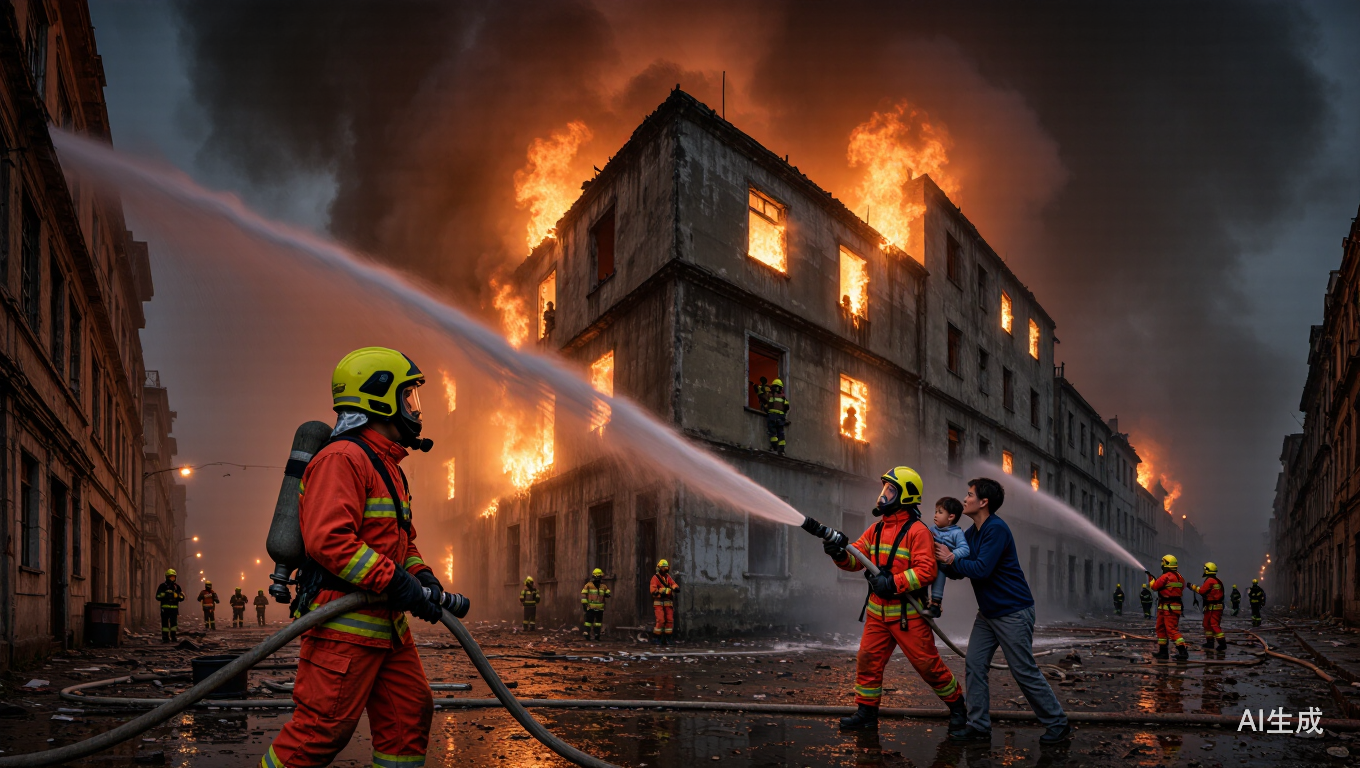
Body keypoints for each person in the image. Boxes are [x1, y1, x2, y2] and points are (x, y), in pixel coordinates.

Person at [261, 346, 455, 768]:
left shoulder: (388, 466)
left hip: (387, 625)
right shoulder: (342, 458)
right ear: (378, 396)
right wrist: (399, 583)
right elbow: (330, 542)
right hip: (342, 626)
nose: (413, 408)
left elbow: (403, 540)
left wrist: (424, 577)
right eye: (407, 396)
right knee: (320, 731)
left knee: (408, 716)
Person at [824, 467, 966, 732]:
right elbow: (857, 559)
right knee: (867, 659)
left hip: (908, 615)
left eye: (890, 490)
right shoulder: (877, 529)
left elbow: (926, 571)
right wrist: (838, 554)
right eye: (884, 489)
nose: (883, 495)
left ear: (906, 496)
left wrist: (893, 583)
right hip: (878, 613)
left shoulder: (918, 531)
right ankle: (866, 714)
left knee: (928, 665)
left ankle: (958, 707)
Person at [937, 477, 1071, 745]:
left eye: (970, 494)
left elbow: (982, 569)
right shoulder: (970, 534)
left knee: (1023, 670)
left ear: (983, 502)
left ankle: (1057, 724)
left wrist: (951, 559)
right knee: (975, 664)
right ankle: (978, 726)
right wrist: (942, 559)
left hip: (1013, 611)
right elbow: (958, 571)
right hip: (988, 614)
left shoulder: (996, 529)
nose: (965, 499)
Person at [924, 497, 968, 618]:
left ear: (951, 517)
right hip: (927, 563)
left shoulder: (957, 533)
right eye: (936, 511)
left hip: (942, 565)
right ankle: (923, 600)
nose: (936, 515)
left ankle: (936, 605)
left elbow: (965, 549)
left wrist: (951, 556)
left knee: (939, 578)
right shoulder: (930, 529)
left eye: (940, 512)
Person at [1148, 555, 1188, 660]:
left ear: (1166, 563)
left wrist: (1151, 579)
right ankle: (1163, 652)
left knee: (1171, 630)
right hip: (1166, 606)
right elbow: (1181, 587)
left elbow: (1154, 587)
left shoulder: (1165, 576)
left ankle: (1183, 651)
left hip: (1168, 607)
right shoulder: (1180, 577)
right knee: (1160, 628)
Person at [1189, 562, 1226, 651]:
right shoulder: (1217, 581)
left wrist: (1192, 586)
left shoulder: (1210, 580)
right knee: (1206, 624)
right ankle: (1210, 642)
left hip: (1214, 607)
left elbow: (1201, 591)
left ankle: (1222, 643)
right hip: (1211, 606)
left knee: (1214, 624)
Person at [650, 559, 681, 644]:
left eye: (666, 567)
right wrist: (665, 591)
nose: (665, 569)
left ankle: (668, 638)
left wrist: (675, 588)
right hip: (659, 602)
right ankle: (657, 637)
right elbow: (653, 590)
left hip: (668, 602)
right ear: (659, 568)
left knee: (670, 620)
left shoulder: (668, 577)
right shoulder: (655, 578)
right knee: (660, 620)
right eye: (663, 567)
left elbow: (673, 584)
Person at [155, 569, 186, 643]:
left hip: (174, 610)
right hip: (164, 609)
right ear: (167, 577)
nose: (172, 579)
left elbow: (182, 597)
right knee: (165, 624)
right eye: (170, 577)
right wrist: (165, 595)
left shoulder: (177, 587)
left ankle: (173, 636)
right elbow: (157, 597)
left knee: (174, 624)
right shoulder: (162, 586)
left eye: (173, 577)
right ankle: (165, 637)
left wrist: (176, 595)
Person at [581, 568, 611, 640]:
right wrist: (584, 605)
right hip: (591, 607)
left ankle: (597, 634)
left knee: (598, 622)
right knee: (589, 621)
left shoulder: (603, 586)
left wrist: (607, 594)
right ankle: (587, 633)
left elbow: (607, 593)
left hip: (599, 608)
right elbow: (584, 595)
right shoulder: (588, 585)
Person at [764, 379, 790, 455]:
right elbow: (787, 407)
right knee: (780, 433)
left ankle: (774, 448)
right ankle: (781, 451)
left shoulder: (770, 395)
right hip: (780, 417)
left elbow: (766, 406)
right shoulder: (783, 397)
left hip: (771, 416)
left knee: (772, 433)